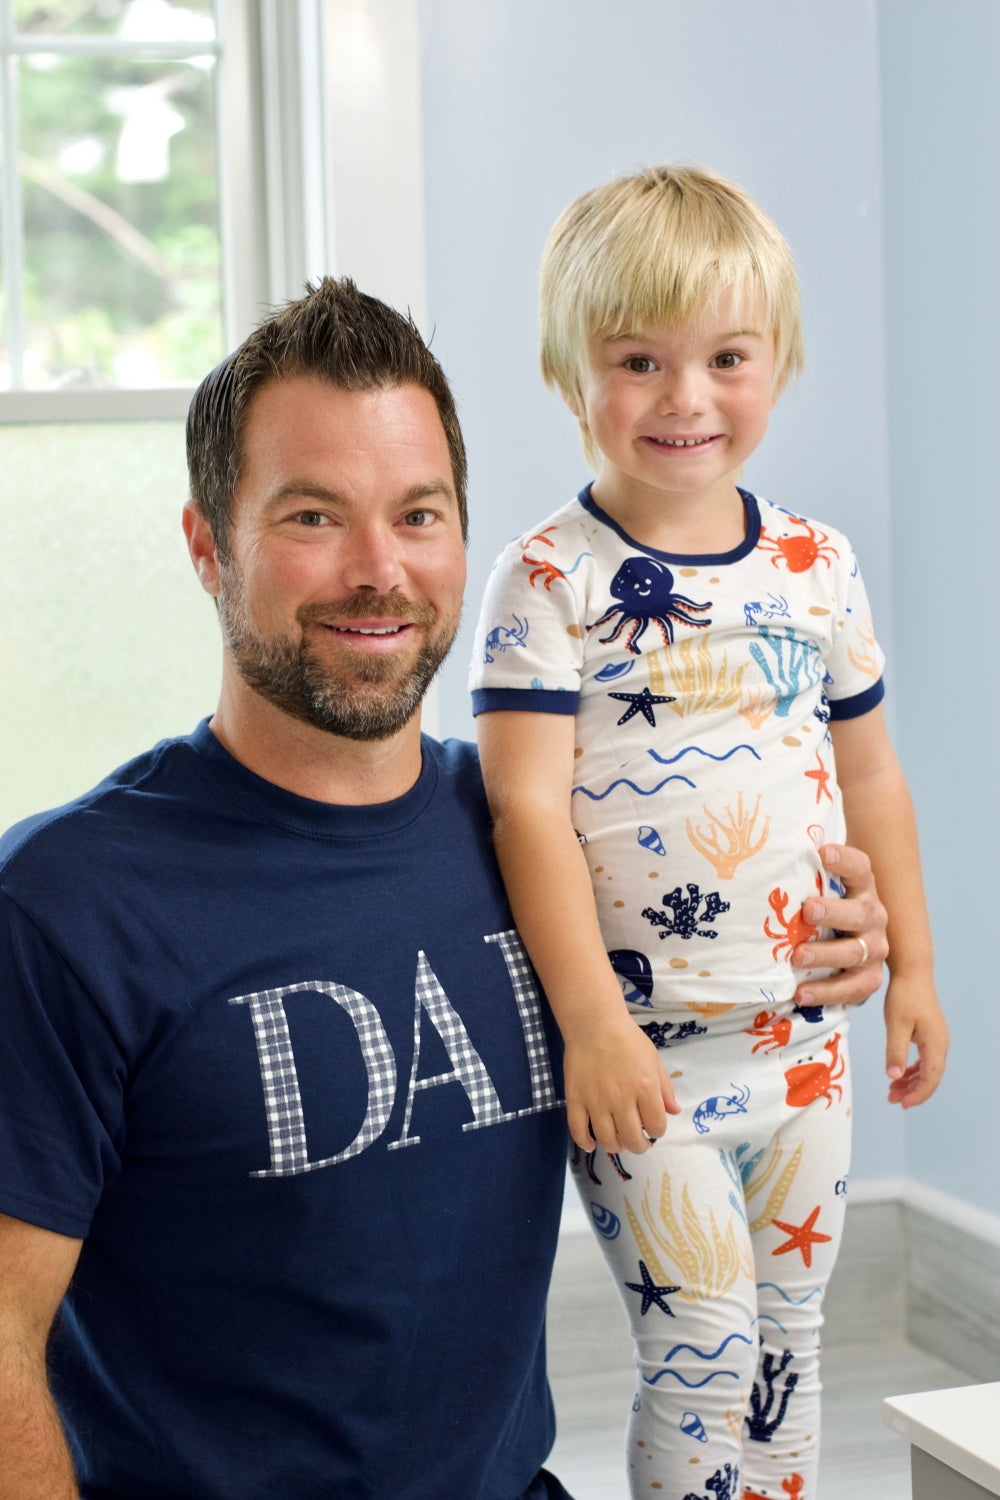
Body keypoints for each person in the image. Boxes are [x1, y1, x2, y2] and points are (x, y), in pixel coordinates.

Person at [0, 277, 887, 1500]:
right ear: (208, 544)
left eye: (419, 515)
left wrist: (846, 934)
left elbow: (749, 889)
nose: (379, 570)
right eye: (312, 516)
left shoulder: (548, 836)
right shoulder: (68, 903)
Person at [469, 166, 947, 1500]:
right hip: (646, 1062)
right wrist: (594, 1027)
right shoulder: (548, 580)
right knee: (700, 1343)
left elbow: (876, 776)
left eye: (727, 357)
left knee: (789, 1343)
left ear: (778, 364)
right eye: (640, 360)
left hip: (804, 1050)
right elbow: (522, 807)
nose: (687, 398)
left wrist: (911, 967)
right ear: (574, 375)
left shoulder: (817, 566)